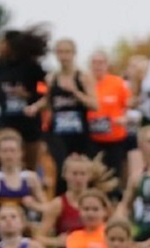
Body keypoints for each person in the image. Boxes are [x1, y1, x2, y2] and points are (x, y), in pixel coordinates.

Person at [43, 39, 98, 194]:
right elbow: (47, 101)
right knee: (60, 168)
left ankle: (83, 199)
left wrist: (75, 92)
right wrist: (34, 107)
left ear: (74, 54)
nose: (64, 56)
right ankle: (61, 201)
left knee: (81, 171)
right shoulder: (51, 78)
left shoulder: (83, 77)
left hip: (79, 133)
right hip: (58, 132)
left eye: (67, 52)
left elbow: (94, 104)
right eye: (60, 52)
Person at [0, 26, 49, 171]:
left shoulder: (32, 67)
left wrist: (29, 95)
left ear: (11, 45)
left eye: (3, 42)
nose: (1, 46)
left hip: (28, 123)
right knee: (4, 164)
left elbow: (47, 90)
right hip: (5, 123)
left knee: (30, 166)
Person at [0, 130, 48, 246]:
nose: (9, 155)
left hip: (23, 235)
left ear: (20, 153)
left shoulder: (30, 178)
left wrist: (34, 205)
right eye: (5, 151)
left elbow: (48, 209)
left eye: (12, 150)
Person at [88, 50, 133, 190]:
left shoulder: (118, 83)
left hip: (115, 138)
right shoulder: (85, 83)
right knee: (93, 175)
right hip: (91, 138)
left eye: (101, 62)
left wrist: (125, 118)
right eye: (94, 63)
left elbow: (130, 105)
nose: (98, 66)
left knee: (115, 175)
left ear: (107, 65)